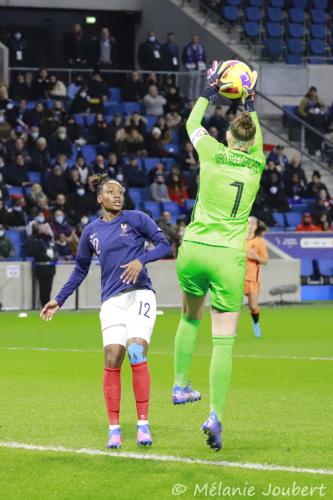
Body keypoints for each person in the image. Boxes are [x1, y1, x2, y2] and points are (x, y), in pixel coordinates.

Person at [40, 174, 170, 449]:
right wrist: (59, 299)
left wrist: (140, 259)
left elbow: (165, 245)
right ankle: (114, 429)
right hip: (111, 301)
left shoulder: (136, 218)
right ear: (100, 198)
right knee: (112, 358)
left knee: (136, 351)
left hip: (140, 295)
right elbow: (80, 269)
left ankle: (143, 425)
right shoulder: (91, 232)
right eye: (111, 192)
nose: (117, 195)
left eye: (120, 191)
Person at [173, 61, 263, 451]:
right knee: (223, 340)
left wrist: (210, 91)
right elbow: (254, 134)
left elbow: (191, 122)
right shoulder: (257, 163)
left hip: (193, 249)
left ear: (226, 134)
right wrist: (250, 102)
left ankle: (179, 386)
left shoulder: (210, 150)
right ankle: (214, 415)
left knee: (189, 318)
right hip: (228, 257)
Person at [244, 217, 268, 338]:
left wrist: (255, 257)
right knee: (232, 306)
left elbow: (265, 261)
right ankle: (230, 329)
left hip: (252, 278)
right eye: (248, 223)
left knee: (253, 307)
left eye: (253, 223)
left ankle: (256, 323)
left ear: (256, 226)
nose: (250, 225)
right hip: (237, 278)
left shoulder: (259, 242)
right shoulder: (237, 240)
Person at [26, 222, 58, 306]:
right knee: (42, 287)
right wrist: (49, 258)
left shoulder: (50, 240)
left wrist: (54, 257)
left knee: (49, 288)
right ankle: (44, 304)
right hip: (41, 267)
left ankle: (48, 303)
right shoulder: (36, 239)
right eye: (44, 228)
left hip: (51, 268)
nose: (47, 230)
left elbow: (56, 250)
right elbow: (37, 252)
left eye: (47, 228)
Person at [182, 34, 207, 101]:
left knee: (197, 83)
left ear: (198, 39)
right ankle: (190, 97)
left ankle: (196, 97)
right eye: (193, 38)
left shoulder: (201, 47)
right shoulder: (187, 47)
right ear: (191, 39)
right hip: (191, 67)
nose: (194, 40)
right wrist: (186, 66)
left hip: (199, 68)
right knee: (190, 83)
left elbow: (204, 57)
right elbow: (184, 58)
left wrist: (203, 67)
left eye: (196, 38)